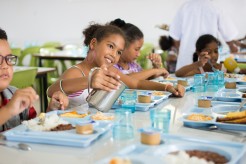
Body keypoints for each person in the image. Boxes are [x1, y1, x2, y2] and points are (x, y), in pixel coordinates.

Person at [47, 23, 185, 108]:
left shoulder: (109, 70)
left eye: (119, 51)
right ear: (93, 44)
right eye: (110, 46)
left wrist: (167, 87)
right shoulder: (77, 71)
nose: (114, 54)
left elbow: (135, 83)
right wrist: (89, 80)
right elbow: (51, 91)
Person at [0, 28, 68, 130]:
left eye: (9, 59)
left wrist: (51, 110)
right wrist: (8, 111)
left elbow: (33, 127)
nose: (5, 65)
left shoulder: (15, 96)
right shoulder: (13, 103)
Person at [169, 0, 239, 70]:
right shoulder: (216, 7)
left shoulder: (184, 7)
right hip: (208, 58)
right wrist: (232, 47)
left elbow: (175, 36)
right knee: (209, 78)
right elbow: (228, 34)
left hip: (186, 60)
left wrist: (179, 51)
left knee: (183, 79)